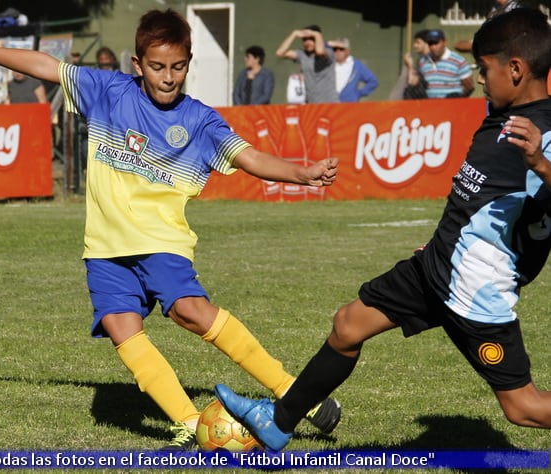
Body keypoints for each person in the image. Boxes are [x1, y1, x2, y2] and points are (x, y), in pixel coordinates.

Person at [0, 8, 341, 450]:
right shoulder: (106, 91)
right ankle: (188, 421)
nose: (169, 77)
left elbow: (250, 157)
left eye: (178, 67)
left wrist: (301, 174)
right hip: (105, 246)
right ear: (138, 65)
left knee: (189, 311)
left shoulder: (200, 120)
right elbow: (45, 66)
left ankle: (295, 391)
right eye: (158, 67)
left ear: (188, 63)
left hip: (160, 241)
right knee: (120, 325)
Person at [216, 7, 551, 451]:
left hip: (475, 288)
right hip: (437, 263)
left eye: (484, 69)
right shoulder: (503, 108)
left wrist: (541, 165)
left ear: (515, 69)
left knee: (521, 407)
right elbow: (480, 198)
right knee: (348, 325)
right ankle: (278, 423)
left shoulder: (544, 135)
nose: (478, 78)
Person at [275, 25, 338, 103]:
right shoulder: (302, 55)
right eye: (304, 40)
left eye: (311, 39)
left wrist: (316, 34)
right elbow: (279, 53)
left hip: (330, 103)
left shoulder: (328, 52)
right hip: (311, 104)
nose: (307, 42)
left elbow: (320, 51)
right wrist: (294, 34)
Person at [408, 29, 474, 99]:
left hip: (452, 106)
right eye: (431, 43)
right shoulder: (423, 61)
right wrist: (409, 65)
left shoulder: (458, 61)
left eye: (436, 43)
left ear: (444, 42)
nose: (433, 47)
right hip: (430, 106)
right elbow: (414, 83)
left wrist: (458, 100)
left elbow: (469, 87)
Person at [328, 38, 377, 103]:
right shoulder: (327, 65)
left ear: (348, 51)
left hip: (350, 106)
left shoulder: (357, 66)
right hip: (330, 105)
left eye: (341, 49)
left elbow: (373, 81)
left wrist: (358, 94)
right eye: (335, 49)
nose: (338, 52)